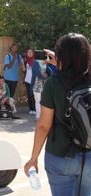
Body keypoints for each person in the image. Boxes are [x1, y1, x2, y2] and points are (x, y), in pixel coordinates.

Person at [24, 33, 91, 196]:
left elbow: (44, 125)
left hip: (61, 155)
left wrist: (33, 159)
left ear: (60, 55)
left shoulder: (54, 82)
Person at [23, 49, 37, 114]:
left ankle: (34, 109)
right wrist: (23, 68)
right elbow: (24, 70)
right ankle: (30, 109)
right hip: (27, 81)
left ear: (33, 53)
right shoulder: (25, 61)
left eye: (31, 52)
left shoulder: (36, 61)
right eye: (28, 52)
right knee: (29, 95)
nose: (29, 53)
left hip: (33, 81)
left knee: (33, 95)